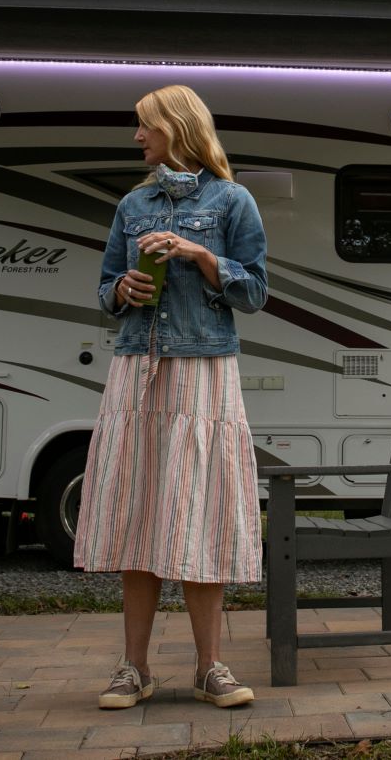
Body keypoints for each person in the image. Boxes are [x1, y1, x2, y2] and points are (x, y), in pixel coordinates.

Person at [76, 84, 269, 711]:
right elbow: (105, 289)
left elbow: (256, 292)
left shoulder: (232, 200)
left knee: (202, 516)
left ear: (176, 127)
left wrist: (198, 254)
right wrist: (123, 288)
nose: (137, 137)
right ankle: (133, 668)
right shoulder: (132, 205)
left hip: (205, 372)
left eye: (144, 126)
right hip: (137, 369)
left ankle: (211, 666)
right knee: (139, 511)